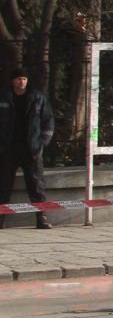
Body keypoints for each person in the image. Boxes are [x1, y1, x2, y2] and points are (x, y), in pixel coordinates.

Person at [0, 70, 55, 229]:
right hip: (7, 148)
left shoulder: (38, 97)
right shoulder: (3, 96)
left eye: (24, 78)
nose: (22, 82)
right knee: (3, 185)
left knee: (36, 185)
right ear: (12, 80)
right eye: (18, 79)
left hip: (31, 149)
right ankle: (1, 218)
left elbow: (48, 121)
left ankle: (41, 217)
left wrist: (42, 143)